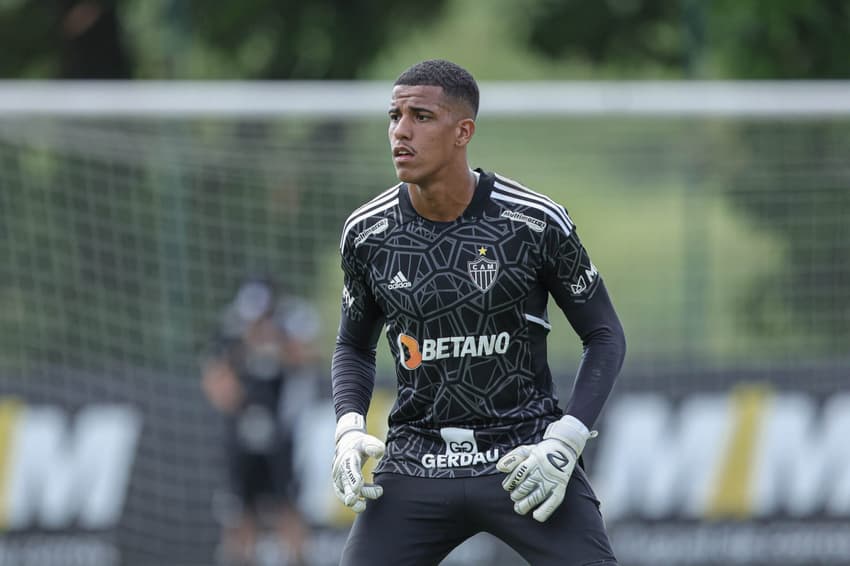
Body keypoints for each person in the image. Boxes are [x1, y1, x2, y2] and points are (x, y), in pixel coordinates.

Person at [330, 58, 627, 565]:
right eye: (394, 116)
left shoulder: (534, 223)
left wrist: (565, 441)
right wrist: (348, 429)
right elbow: (352, 345)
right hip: (416, 461)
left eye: (420, 117)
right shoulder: (367, 233)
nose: (400, 131)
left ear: (463, 131)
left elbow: (604, 335)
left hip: (523, 458)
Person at [202, 277, 321, 566]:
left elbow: (312, 358)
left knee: (288, 508)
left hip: (281, 437)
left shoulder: (290, 327)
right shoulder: (232, 340)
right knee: (239, 512)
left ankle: (297, 559)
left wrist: (278, 347)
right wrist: (243, 358)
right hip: (242, 438)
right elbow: (217, 388)